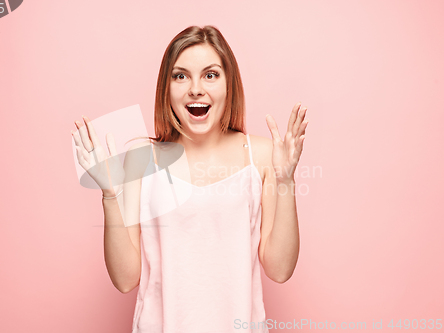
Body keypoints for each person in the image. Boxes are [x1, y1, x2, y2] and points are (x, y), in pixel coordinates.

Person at [71, 25, 308, 333]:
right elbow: (125, 279)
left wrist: (286, 180)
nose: (196, 88)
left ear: (229, 84)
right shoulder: (142, 157)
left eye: (210, 75)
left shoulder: (261, 155)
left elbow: (279, 269)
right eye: (180, 76)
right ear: (166, 88)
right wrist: (108, 193)